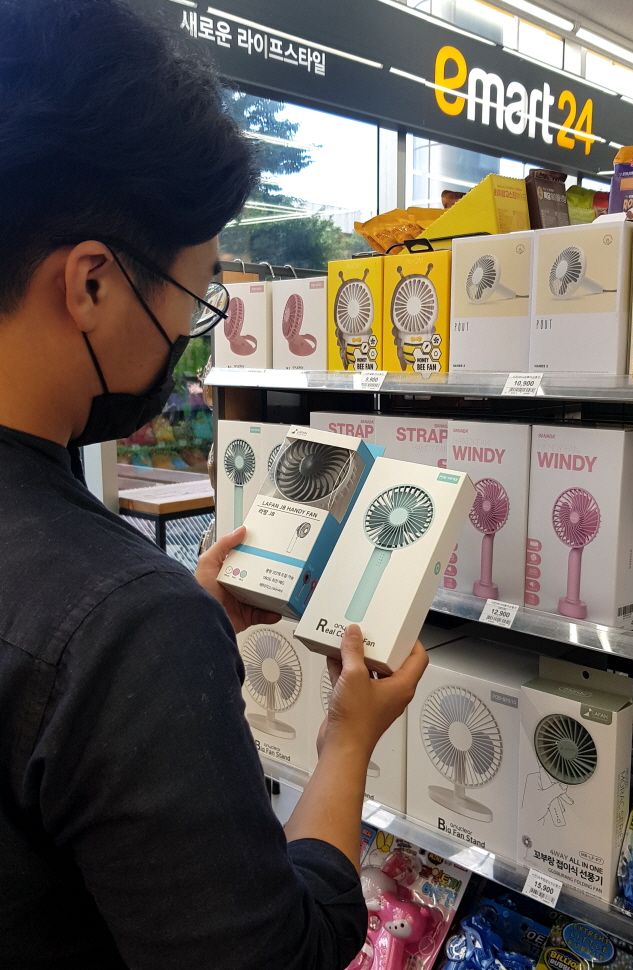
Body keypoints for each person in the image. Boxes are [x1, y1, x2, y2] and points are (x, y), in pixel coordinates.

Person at [0, 1, 429, 967]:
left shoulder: (122, 620)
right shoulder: (123, 623)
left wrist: (166, 646)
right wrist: (346, 741)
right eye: (196, 299)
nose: (191, 339)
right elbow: (273, 953)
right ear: (91, 284)